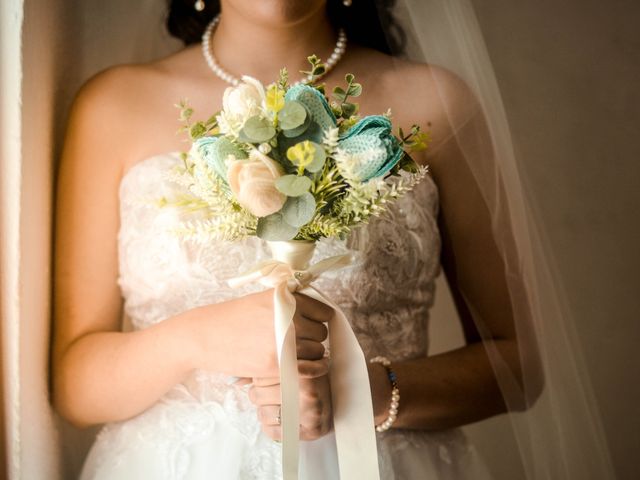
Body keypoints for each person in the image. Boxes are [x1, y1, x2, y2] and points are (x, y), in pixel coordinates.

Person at [52, 1, 535, 478]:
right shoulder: (115, 105)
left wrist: (365, 391)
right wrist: (194, 338)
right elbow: (74, 384)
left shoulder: (435, 103)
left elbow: (518, 363)